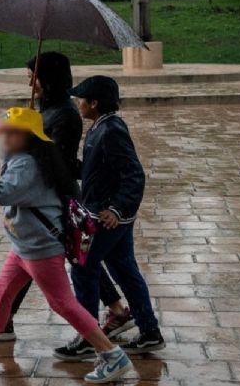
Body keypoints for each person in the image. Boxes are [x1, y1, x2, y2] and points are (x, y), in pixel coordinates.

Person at [0, 107, 132, 383]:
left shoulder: (28, 165)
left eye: (10, 133)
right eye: (2, 132)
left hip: (40, 249)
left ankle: (112, 355)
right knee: (2, 294)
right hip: (23, 247)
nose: (3, 138)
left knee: (63, 303)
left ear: (28, 136)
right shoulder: (28, 158)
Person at [0, 53, 134, 353]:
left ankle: (110, 340)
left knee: (73, 265)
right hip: (35, 199)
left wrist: (28, 145)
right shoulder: (46, 109)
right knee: (38, 261)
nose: (30, 81)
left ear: (50, 78)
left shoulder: (66, 115)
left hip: (54, 199)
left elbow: (59, 161)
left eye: (35, 75)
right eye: (28, 74)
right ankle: (2, 324)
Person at [57, 76, 165, 357]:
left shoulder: (111, 130)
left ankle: (88, 336)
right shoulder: (99, 127)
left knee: (83, 269)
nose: (77, 103)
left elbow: (134, 174)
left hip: (107, 218)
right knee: (125, 270)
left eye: (81, 98)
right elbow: (98, 170)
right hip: (107, 214)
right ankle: (150, 331)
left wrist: (117, 209)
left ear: (94, 102)